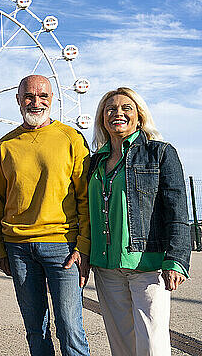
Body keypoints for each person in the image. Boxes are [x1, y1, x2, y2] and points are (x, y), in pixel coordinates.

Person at [0, 74, 91, 356]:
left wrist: (84, 245)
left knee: (70, 327)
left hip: (63, 245)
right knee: (35, 328)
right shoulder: (4, 146)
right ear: (19, 100)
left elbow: (86, 198)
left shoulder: (71, 138)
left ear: (52, 99)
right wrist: (0, 248)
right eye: (29, 96)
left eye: (43, 96)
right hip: (18, 247)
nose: (36, 102)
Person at [88, 87, 191, 355]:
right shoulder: (94, 162)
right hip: (106, 267)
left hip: (148, 264)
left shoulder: (160, 153)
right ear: (102, 118)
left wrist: (176, 259)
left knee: (152, 345)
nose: (117, 113)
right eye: (110, 109)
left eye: (126, 108)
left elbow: (177, 210)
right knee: (121, 346)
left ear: (139, 116)